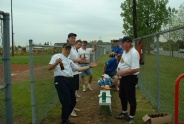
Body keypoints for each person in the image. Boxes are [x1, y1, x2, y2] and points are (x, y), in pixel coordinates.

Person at [48, 43, 98, 124]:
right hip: (60, 80)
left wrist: (90, 66)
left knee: (73, 101)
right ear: (62, 49)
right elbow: (49, 67)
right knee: (66, 102)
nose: (67, 50)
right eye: (66, 48)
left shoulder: (69, 60)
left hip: (69, 80)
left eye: (69, 49)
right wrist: (56, 63)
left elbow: (78, 69)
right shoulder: (56, 56)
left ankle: (66, 118)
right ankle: (64, 121)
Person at [115, 36, 140, 124]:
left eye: (123, 42)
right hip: (124, 78)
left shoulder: (134, 53)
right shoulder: (125, 51)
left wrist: (122, 72)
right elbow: (123, 62)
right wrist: (119, 71)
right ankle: (124, 112)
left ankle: (131, 117)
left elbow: (136, 69)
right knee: (122, 95)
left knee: (131, 98)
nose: (121, 44)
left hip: (130, 78)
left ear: (128, 43)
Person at [67, 35, 82, 117]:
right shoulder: (68, 47)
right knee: (71, 93)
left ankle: (73, 107)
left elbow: (75, 60)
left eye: (74, 38)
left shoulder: (74, 49)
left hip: (76, 72)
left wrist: (79, 60)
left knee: (75, 92)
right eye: (72, 38)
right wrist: (77, 60)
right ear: (68, 39)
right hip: (71, 74)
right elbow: (67, 59)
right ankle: (71, 110)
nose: (73, 39)